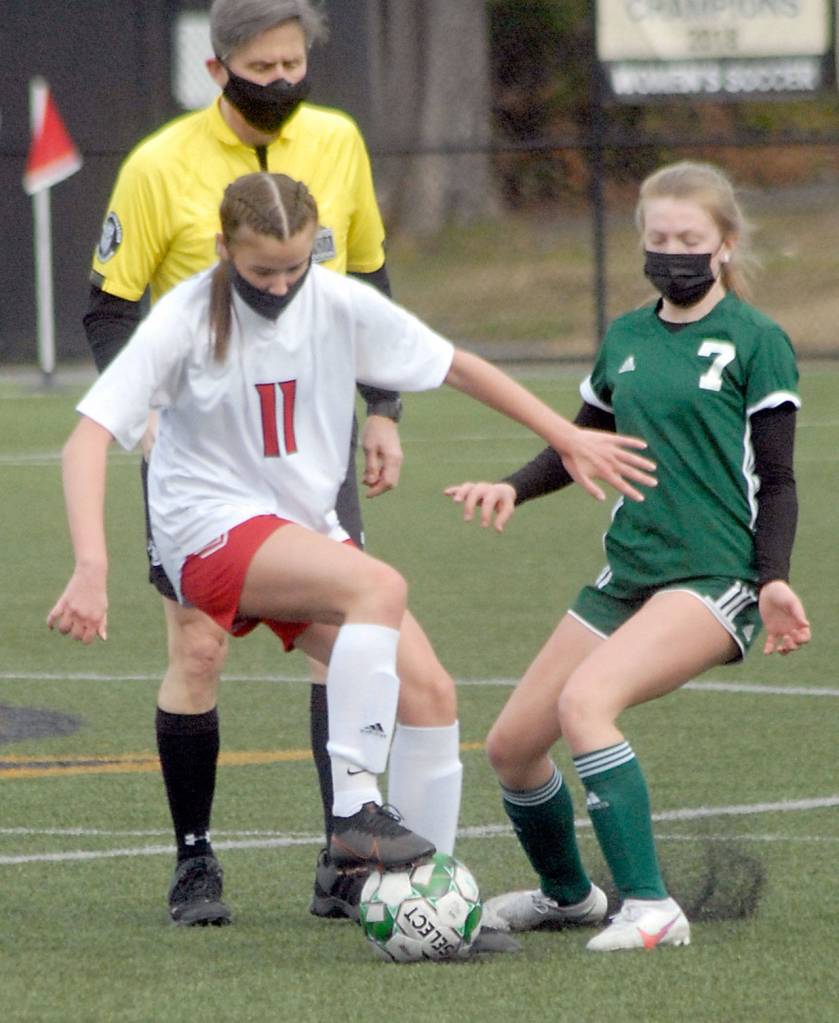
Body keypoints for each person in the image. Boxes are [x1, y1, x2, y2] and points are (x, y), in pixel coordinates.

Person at [49, 172, 656, 933]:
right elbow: (87, 438)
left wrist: (564, 435)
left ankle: (424, 901)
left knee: (430, 691)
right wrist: (91, 566)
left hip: (297, 529)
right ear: (221, 249)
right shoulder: (184, 316)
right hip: (203, 529)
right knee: (379, 586)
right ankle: (355, 813)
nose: (279, 283)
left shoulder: (336, 301)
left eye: (294, 266)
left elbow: (457, 365)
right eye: (260, 269)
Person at [82, 0, 406, 924]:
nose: (281, 84)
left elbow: (371, 283)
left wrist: (381, 409)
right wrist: (138, 407)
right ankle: (194, 860)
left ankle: (344, 851)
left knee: (341, 642)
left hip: (311, 444)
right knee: (197, 645)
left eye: (293, 64)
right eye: (260, 68)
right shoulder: (159, 165)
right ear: (218, 69)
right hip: (201, 457)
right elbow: (108, 307)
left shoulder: (339, 142)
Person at [445, 160, 811, 952]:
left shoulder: (756, 340)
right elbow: (581, 443)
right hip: (627, 575)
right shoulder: (627, 337)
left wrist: (772, 580)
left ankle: (650, 906)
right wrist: (512, 485)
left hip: (712, 579)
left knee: (586, 703)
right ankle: (568, 895)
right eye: (657, 238)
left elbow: (777, 480)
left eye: (689, 239)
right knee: (511, 745)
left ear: (723, 244)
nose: (671, 252)